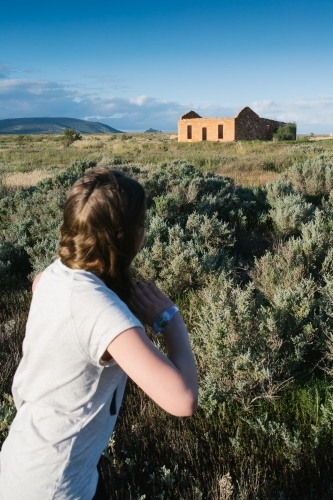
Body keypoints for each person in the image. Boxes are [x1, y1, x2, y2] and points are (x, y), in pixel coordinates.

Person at [0, 167, 198, 500]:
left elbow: (45, 296)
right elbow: (183, 400)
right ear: (126, 237)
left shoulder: (52, 276)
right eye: (142, 225)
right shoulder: (101, 313)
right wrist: (171, 321)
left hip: (27, 460)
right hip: (53, 486)